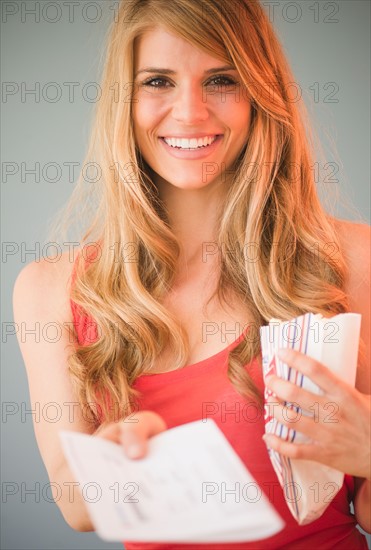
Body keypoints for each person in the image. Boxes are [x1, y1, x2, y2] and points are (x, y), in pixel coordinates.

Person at [13, 0, 370, 548]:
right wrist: (114, 450)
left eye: (221, 80)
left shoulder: (354, 258)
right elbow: (76, 506)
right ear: (123, 101)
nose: (190, 112)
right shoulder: (50, 291)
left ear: (259, 95)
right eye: (158, 80)